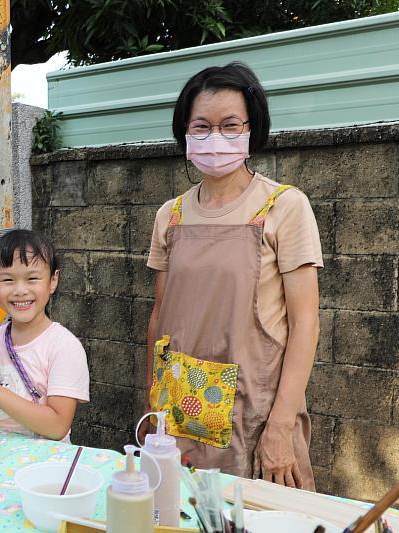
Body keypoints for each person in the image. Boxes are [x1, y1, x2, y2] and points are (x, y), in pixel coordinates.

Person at [143, 62, 322, 490]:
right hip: (182, 409)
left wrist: (280, 427)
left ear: (250, 129)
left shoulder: (284, 206)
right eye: (202, 126)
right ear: (185, 132)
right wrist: (154, 404)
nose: (215, 138)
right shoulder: (171, 215)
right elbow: (160, 316)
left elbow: (305, 324)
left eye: (230, 125)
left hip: (259, 417)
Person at [0, 229, 89, 441]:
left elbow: (58, 427)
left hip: (41, 462)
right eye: (8, 280)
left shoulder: (63, 346)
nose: (20, 290)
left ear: (53, 281)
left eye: (32, 278)